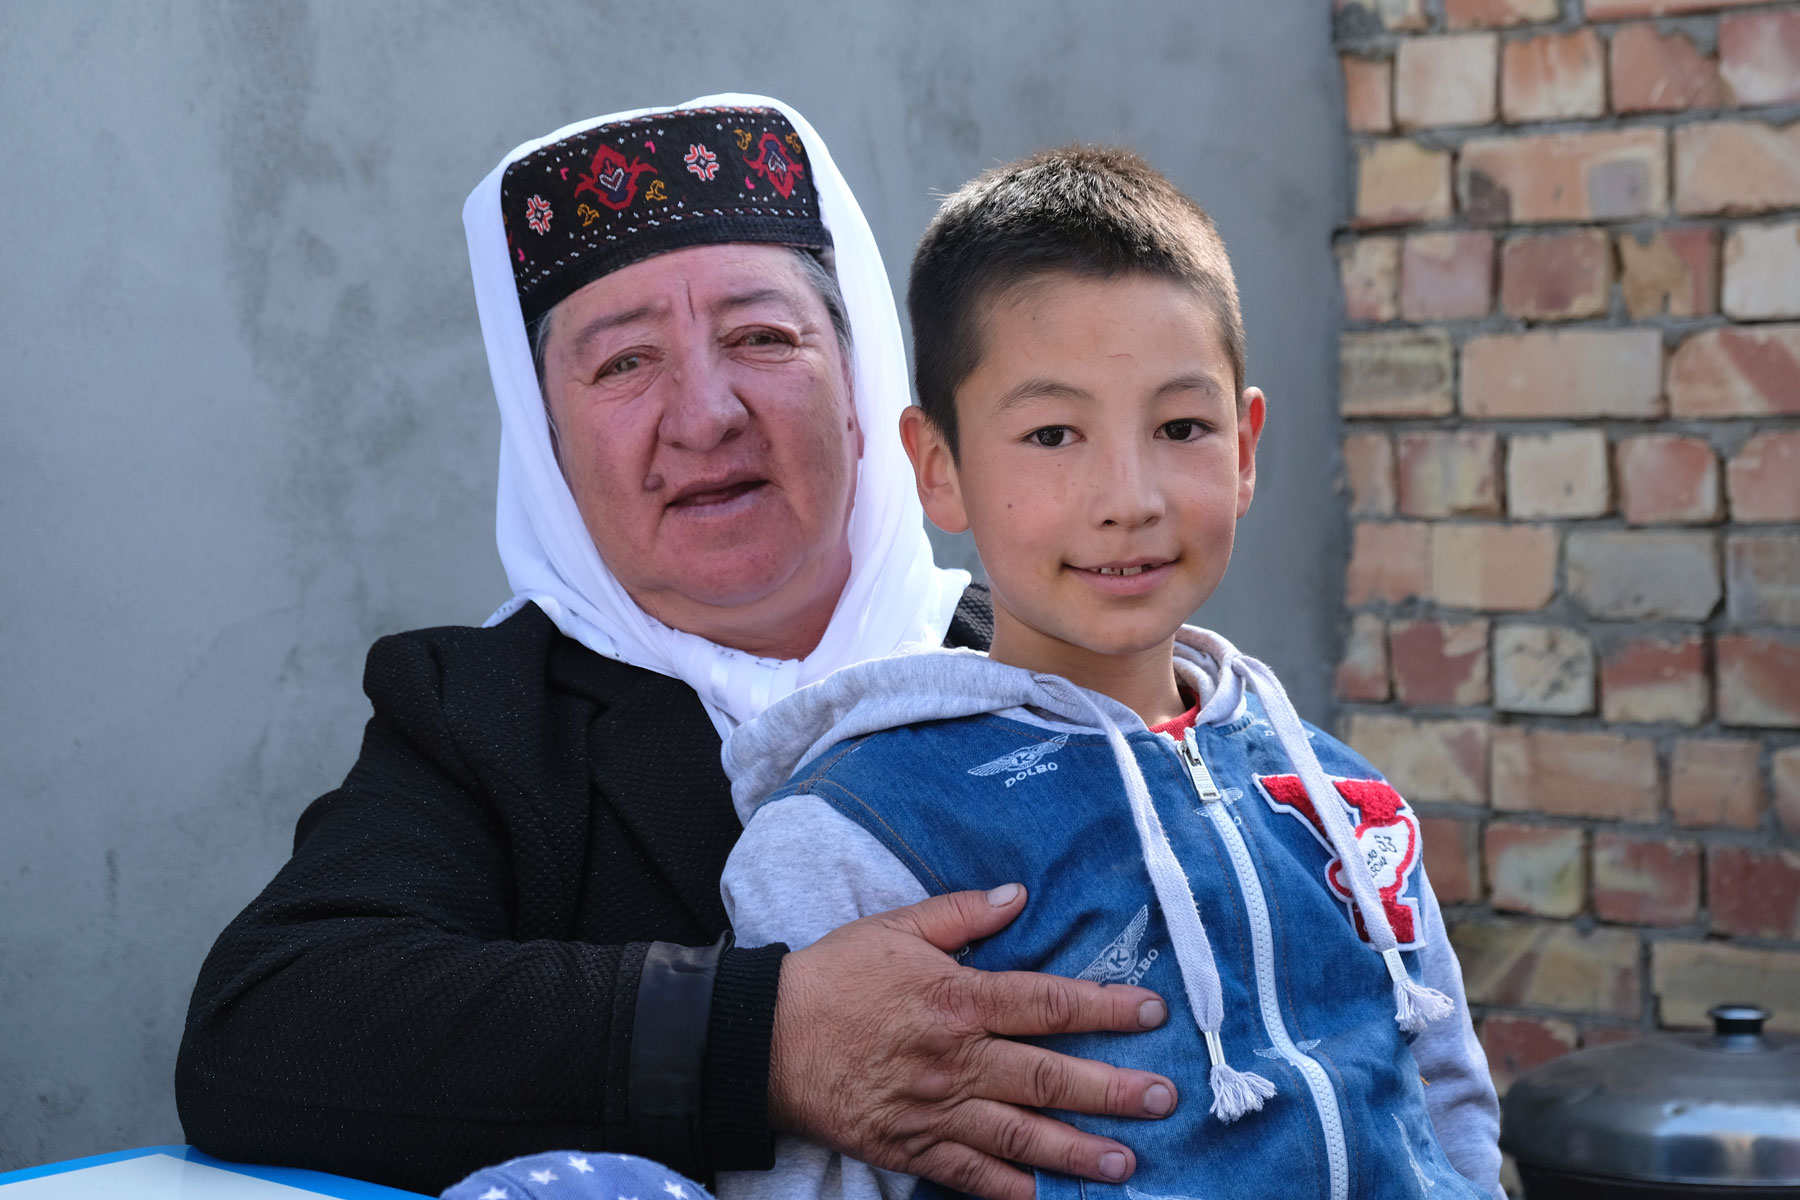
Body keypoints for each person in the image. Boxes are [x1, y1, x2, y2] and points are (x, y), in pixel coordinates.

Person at [174, 97, 1179, 1200]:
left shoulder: (1052, 657)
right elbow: (268, 1028)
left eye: (762, 338)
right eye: (622, 366)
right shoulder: (489, 717)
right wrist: (762, 1040)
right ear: (546, 440)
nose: (704, 415)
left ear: (861, 388)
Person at [709, 147, 1505, 1199]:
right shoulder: (863, 833)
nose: (1127, 497)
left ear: (1247, 446)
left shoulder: (1341, 801)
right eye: (1052, 434)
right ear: (938, 465)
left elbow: (1449, 1109)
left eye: (1181, 427)